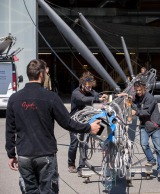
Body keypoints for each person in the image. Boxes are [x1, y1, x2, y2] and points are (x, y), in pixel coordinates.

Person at [5, 59, 101, 194]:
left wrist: (11, 154)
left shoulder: (14, 98)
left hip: (24, 155)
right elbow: (67, 122)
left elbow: (9, 129)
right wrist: (88, 127)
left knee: (30, 191)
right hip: (45, 155)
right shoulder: (50, 97)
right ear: (41, 75)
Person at [68, 72, 108, 175]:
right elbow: (83, 100)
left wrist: (104, 97)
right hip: (74, 121)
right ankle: (71, 164)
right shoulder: (76, 93)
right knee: (74, 144)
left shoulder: (91, 92)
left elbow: (97, 95)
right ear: (82, 83)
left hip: (85, 122)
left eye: (90, 86)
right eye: (87, 86)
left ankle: (81, 166)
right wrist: (97, 99)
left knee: (84, 144)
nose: (88, 88)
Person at [131, 81, 160, 181]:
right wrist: (129, 99)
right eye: (136, 90)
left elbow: (146, 112)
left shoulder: (150, 98)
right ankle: (151, 159)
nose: (138, 92)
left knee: (159, 148)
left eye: (139, 90)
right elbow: (134, 104)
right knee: (143, 144)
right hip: (144, 125)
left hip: (154, 126)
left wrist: (136, 112)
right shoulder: (137, 97)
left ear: (144, 89)